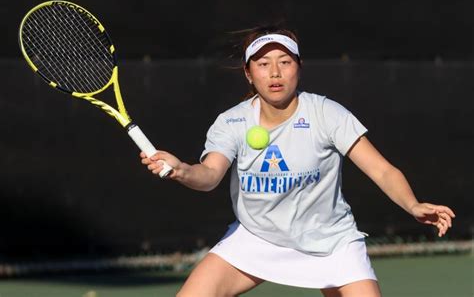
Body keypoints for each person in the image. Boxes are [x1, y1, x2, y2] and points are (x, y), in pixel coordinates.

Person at [140, 26, 456, 297]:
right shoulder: (232, 122)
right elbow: (209, 175)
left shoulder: (326, 113)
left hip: (330, 241)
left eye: (285, 62)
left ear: (298, 68)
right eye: (263, 64)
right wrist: (180, 170)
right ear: (249, 74)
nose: (275, 73)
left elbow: (381, 169)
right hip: (256, 237)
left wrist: (413, 206)